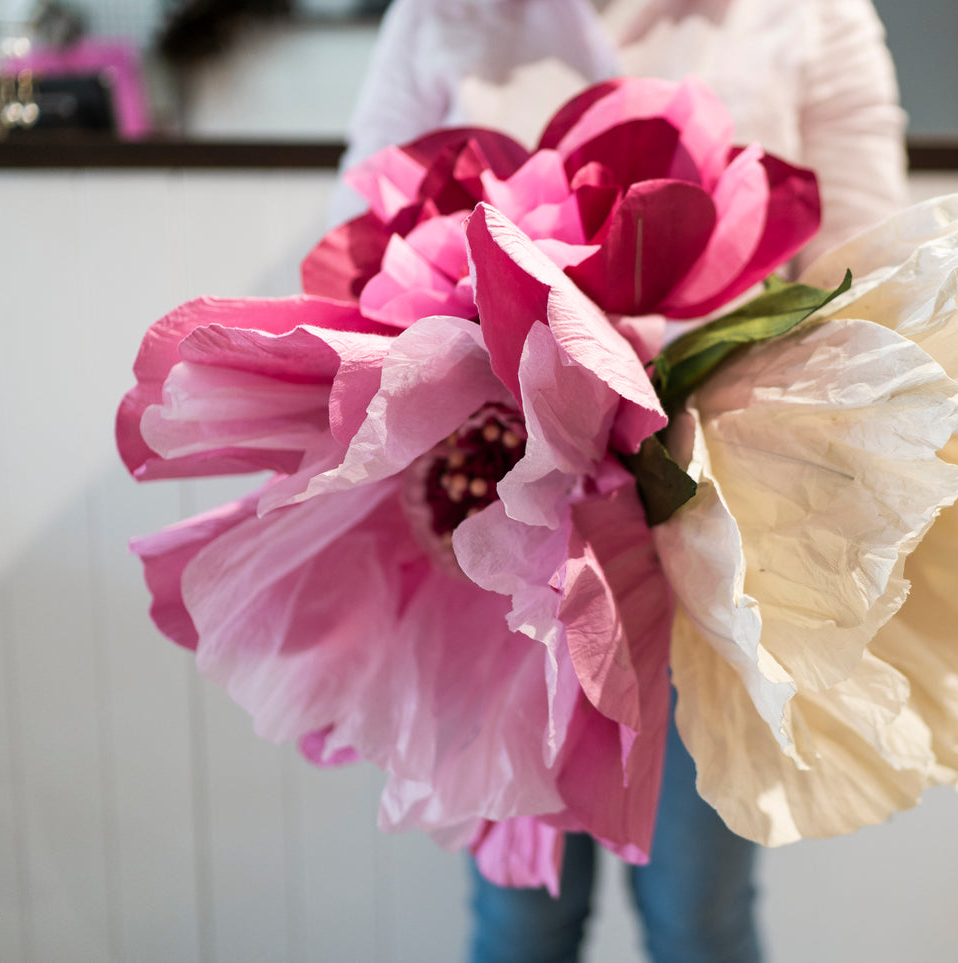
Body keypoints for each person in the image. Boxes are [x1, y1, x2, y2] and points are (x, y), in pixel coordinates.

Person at [335, 1, 910, 959]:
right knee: (521, 912)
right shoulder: (441, 14)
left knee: (700, 910)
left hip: (720, 538)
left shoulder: (810, 14)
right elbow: (362, 245)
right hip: (514, 536)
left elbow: (865, 276)